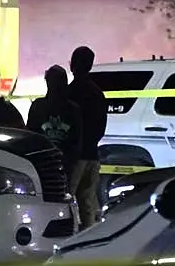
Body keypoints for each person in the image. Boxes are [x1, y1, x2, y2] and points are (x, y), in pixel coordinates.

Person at [67, 46, 107, 231]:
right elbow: (101, 127)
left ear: (73, 65)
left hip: (74, 156)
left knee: (66, 200)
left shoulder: (70, 92)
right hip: (92, 154)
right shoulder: (97, 93)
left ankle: (66, 237)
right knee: (87, 204)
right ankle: (88, 240)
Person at [27, 65, 82, 182]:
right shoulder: (73, 109)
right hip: (61, 164)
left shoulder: (38, 106)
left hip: (43, 164)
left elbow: (30, 136)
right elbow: (77, 141)